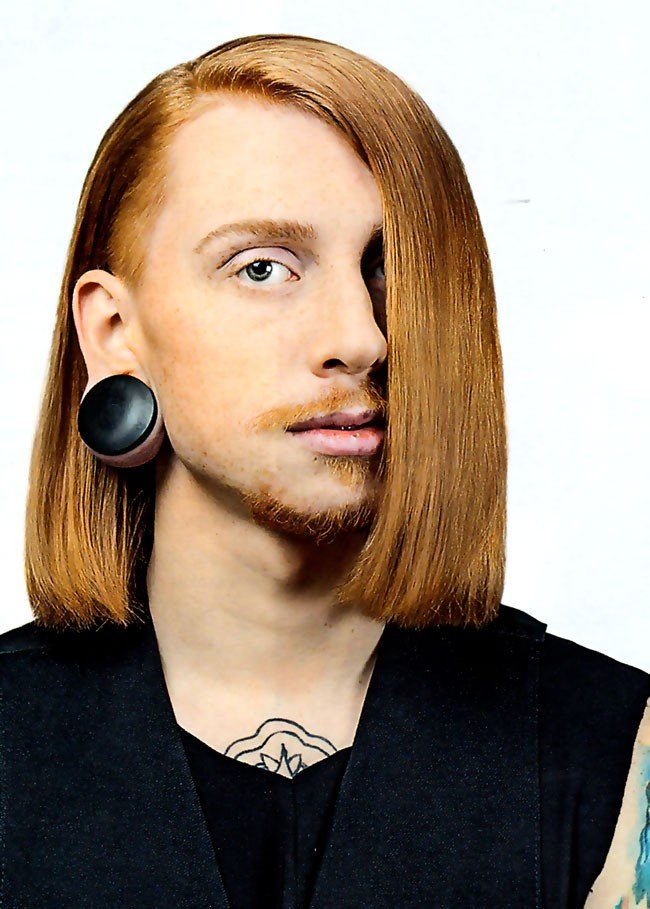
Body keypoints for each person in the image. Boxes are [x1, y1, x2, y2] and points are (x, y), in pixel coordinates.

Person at [0, 32, 647, 909]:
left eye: (391, 269)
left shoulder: (619, 755)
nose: (360, 336)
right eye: (263, 267)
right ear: (115, 332)